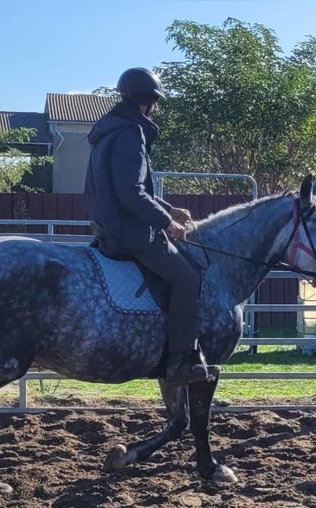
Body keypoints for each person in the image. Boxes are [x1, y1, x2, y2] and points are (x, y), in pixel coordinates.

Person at [84, 67, 208, 388]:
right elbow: (131, 192)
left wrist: (169, 208)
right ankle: (181, 360)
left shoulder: (107, 131)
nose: (156, 109)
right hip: (130, 233)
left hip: (107, 227)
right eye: (156, 102)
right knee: (188, 280)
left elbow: (130, 187)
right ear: (148, 100)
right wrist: (166, 223)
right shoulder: (131, 132)